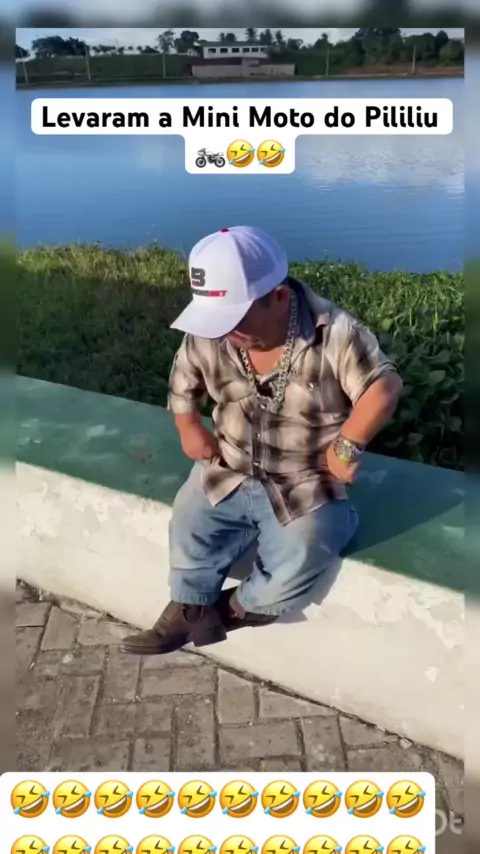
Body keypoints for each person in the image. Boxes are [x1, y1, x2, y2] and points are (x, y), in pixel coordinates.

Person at [123, 225, 403, 655]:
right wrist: (188, 425)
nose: (222, 333)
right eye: (213, 321)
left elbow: (383, 387)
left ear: (278, 296)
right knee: (189, 521)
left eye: (234, 321)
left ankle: (235, 610)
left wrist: (348, 444)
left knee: (306, 547)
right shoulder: (212, 330)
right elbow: (184, 378)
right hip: (229, 464)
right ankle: (190, 607)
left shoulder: (336, 333)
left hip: (305, 476)